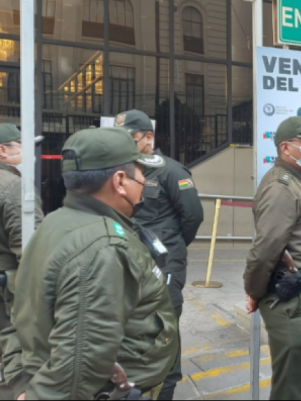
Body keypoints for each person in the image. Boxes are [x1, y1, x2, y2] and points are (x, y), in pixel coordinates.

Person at [0, 127, 179, 400]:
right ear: (120, 181)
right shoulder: (104, 248)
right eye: (141, 172)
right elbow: (80, 360)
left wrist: (23, 382)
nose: (144, 180)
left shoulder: (56, 222)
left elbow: (20, 314)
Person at [114, 109, 204, 400]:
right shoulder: (119, 172)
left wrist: (172, 248)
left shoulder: (171, 171)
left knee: (163, 331)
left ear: (148, 137)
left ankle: (165, 388)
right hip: (128, 263)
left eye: (128, 137)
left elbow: (192, 217)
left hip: (164, 264)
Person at [244, 116, 301, 400]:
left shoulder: (296, 180)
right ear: (285, 148)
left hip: (300, 298)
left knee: (295, 381)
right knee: (291, 389)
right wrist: (254, 291)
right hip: (288, 299)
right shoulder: (281, 186)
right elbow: (266, 248)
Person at [0, 125, 43, 329]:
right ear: (2, 151)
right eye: (23, 146)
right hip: (7, 297)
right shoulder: (15, 187)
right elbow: (31, 251)